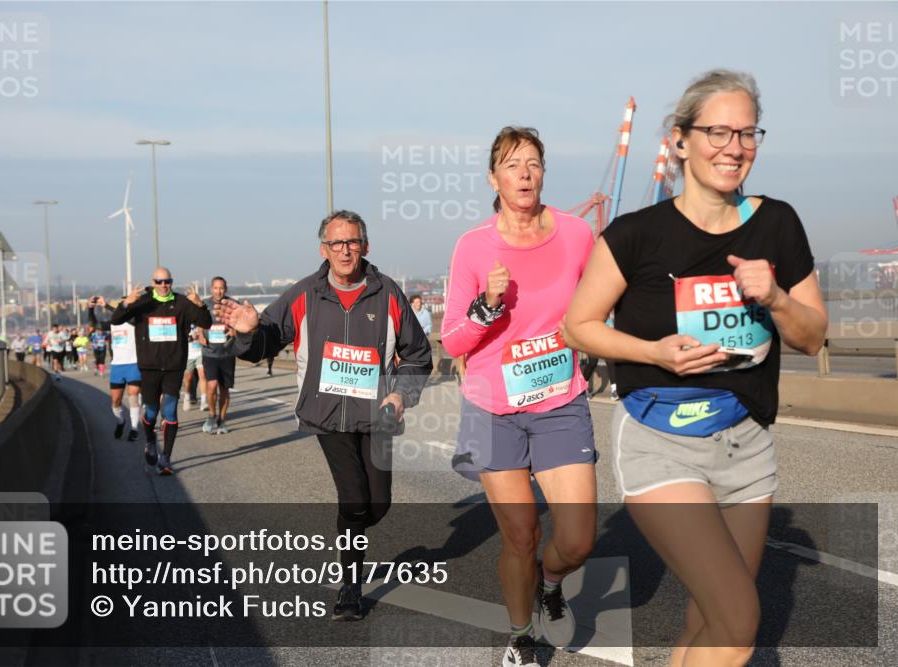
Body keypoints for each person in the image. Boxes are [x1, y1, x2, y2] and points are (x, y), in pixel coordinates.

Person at [565, 70, 827, 667]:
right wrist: (655, 351)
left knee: (709, 614)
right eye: (716, 132)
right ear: (680, 141)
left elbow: (813, 337)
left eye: (746, 133)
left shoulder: (778, 224)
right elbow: (577, 326)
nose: (733, 147)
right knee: (739, 621)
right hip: (660, 439)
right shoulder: (633, 235)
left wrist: (779, 299)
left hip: (746, 443)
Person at [218, 210, 432, 622]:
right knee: (354, 500)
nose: (345, 250)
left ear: (365, 246)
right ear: (324, 250)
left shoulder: (388, 293)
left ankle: (351, 526)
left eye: (352, 242)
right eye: (337, 243)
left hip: (377, 415)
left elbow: (419, 356)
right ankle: (349, 587)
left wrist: (401, 397)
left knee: (378, 506)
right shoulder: (304, 294)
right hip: (327, 414)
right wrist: (247, 332)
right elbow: (264, 343)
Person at [440, 126, 597, 666]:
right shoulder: (473, 246)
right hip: (492, 408)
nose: (524, 173)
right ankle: (520, 636)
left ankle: (551, 584)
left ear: (543, 172)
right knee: (521, 534)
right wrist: (487, 305)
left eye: (532, 163)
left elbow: (598, 305)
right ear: (494, 177)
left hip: (558, 400)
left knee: (576, 538)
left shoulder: (577, 235)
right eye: (512, 165)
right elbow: (453, 338)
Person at [111, 268, 212, 474]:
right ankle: (149, 440)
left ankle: (165, 458)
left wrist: (200, 304)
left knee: (169, 411)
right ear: (153, 282)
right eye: (159, 281)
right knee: (151, 412)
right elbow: (116, 320)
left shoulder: (182, 302)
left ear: (171, 282)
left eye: (168, 281)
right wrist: (126, 303)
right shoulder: (143, 302)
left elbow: (206, 322)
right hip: (149, 368)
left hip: (174, 367)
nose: (164, 285)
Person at [89, 296, 142, 441]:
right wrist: (90, 308)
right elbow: (94, 324)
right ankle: (121, 422)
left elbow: (127, 316)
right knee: (116, 401)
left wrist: (106, 305)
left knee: (133, 397)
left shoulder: (135, 321)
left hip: (133, 364)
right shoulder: (113, 323)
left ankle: (134, 429)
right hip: (117, 366)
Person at [201, 277, 237, 434]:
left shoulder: (232, 304)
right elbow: (196, 321)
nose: (219, 291)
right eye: (216, 288)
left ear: (226, 289)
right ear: (211, 289)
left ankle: (222, 420)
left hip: (227, 352)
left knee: (224, 389)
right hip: (209, 352)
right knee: (211, 385)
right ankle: (211, 414)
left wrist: (234, 331)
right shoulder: (204, 304)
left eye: (221, 288)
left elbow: (240, 324)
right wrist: (199, 334)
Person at [182, 324, 206, 412]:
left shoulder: (201, 321)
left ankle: (204, 401)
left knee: (202, 375)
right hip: (189, 353)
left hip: (200, 352)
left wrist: (201, 335)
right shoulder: (186, 319)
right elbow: (181, 335)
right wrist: (190, 337)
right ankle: (187, 397)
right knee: (188, 378)